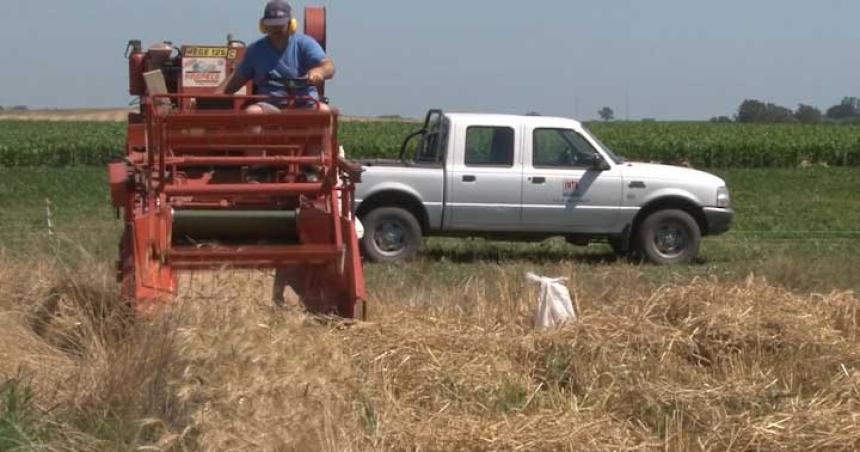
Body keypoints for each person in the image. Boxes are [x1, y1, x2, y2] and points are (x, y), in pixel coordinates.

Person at [216, 0, 335, 112]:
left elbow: (328, 66)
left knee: (323, 111)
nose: (276, 29)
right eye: (272, 25)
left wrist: (319, 72)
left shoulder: (305, 44)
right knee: (253, 112)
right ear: (264, 26)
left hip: (305, 103)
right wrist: (211, 99)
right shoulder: (255, 51)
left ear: (291, 24)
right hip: (270, 105)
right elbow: (236, 79)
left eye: (280, 25)